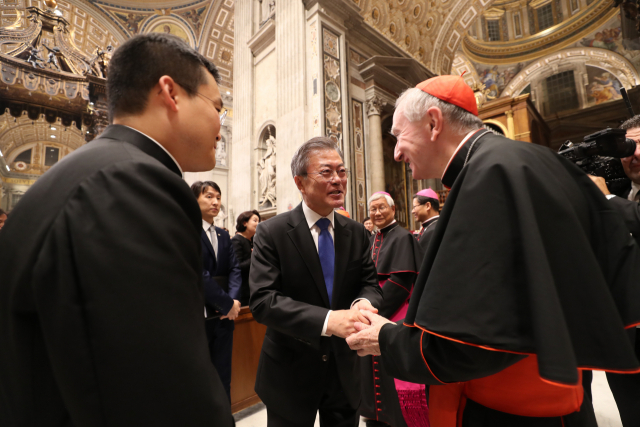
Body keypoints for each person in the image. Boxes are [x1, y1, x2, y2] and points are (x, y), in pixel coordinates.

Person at [347, 75, 640, 426]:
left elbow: (466, 344)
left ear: (433, 122)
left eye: (399, 135)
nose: (395, 152)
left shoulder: (487, 177)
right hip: (561, 396)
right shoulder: (527, 160)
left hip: (510, 407)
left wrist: (387, 337)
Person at [0, 33, 234, 427]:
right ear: (170, 92)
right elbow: (160, 386)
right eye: (217, 107)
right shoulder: (136, 180)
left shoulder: (87, 170)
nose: (221, 124)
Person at [249, 136, 384, 427]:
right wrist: (328, 320)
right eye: (326, 172)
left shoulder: (356, 232)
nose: (338, 180)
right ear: (300, 183)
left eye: (342, 171)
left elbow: (369, 284)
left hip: (344, 372)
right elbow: (263, 300)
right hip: (290, 371)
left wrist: (363, 303)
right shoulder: (272, 232)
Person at [587, 114, 640, 427]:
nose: (631, 154)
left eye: (637, 144)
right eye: (625, 147)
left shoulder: (615, 202)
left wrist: (603, 198)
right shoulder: (624, 198)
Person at [361, 191, 424, 427]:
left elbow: (400, 282)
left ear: (393, 209)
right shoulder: (372, 239)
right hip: (373, 311)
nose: (377, 213)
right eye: (373, 209)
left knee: (392, 373)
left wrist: (374, 310)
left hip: (393, 313)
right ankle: (376, 415)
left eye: (381, 208)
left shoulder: (403, 237)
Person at [192, 180, 242, 402]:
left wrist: (232, 301)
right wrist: (226, 304)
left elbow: (234, 269)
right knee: (199, 377)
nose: (215, 202)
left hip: (224, 317)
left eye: (218, 198)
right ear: (195, 200)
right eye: (209, 196)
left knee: (223, 375)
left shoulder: (223, 235)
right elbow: (198, 273)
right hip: (198, 315)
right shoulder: (187, 230)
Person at [231, 209, 261, 306]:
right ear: (244, 223)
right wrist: (255, 256)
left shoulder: (252, 240)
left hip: (253, 288)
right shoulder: (237, 240)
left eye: (259, 221)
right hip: (243, 291)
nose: (258, 224)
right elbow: (237, 266)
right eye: (255, 220)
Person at [412, 188, 440, 253]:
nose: (412, 211)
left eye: (414, 207)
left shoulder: (434, 230)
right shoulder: (430, 227)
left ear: (428, 206)